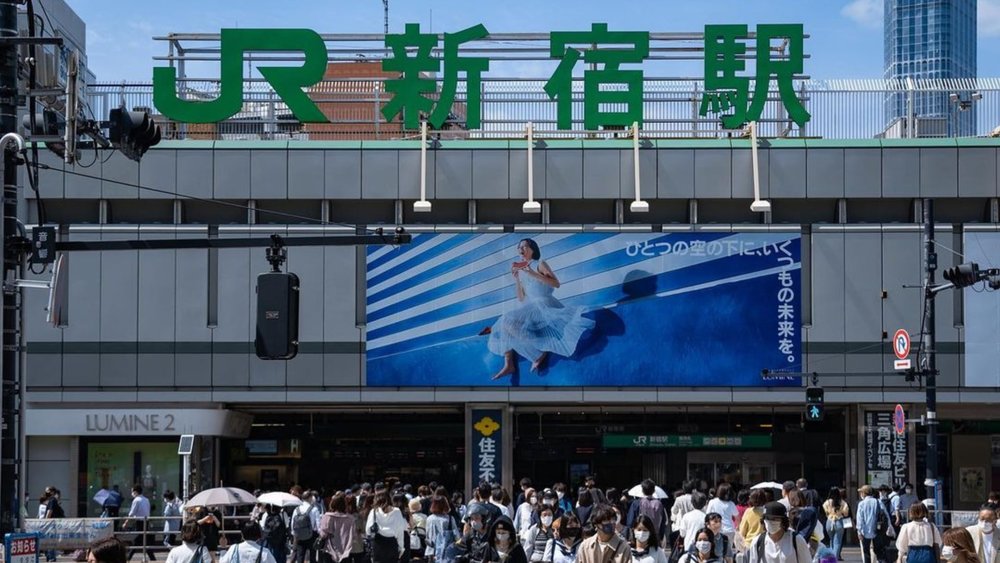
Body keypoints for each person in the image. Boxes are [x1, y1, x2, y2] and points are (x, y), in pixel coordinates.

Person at [489, 238, 595, 379]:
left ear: (532, 249)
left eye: (524, 246)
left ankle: (538, 353)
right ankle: (508, 364)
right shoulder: (521, 271)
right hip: (532, 307)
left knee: (506, 319)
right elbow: (521, 298)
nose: (521, 249)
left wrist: (532, 273)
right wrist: (517, 279)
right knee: (503, 323)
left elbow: (556, 284)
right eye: (519, 247)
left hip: (545, 304)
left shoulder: (540, 264)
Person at [745, 503, 810, 563]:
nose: (770, 522)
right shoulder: (757, 542)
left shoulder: (796, 540)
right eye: (768, 518)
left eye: (775, 519)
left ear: (783, 521)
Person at [367, 491, 408, 563]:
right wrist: (401, 547)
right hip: (392, 544)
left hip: (378, 544)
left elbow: (368, 530)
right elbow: (400, 531)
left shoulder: (373, 511)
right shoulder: (397, 511)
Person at [626, 480, 669, 547]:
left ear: (642, 491)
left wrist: (630, 537)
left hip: (640, 537)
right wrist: (661, 537)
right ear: (654, 491)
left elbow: (630, 522)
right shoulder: (659, 504)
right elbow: (663, 523)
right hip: (655, 537)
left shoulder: (636, 503)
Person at [318, 492, 358, 563]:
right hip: (346, 551)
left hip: (330, 549)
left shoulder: (327, 517)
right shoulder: (350, 519)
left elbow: (323, 534)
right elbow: (354, 536)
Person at [856, 486, 890, 563]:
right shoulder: (878, 502)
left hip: (865, 531)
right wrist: (888, 526)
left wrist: (859, 532)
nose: (860, 494)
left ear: (864, 493)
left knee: (866, 552)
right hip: (877, 530)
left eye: (861, 492)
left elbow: (860, 519)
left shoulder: (861, 504)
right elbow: (886, 515)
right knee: (879, 550)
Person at [426, 496, 460, 563]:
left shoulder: (429, 519)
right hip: (447, 551)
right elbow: (457, 536)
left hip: (431, 551)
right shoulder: (450, 519)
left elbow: (428, 536)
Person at [127, 485, 156, 562]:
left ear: (135, 492)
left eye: (132, 491)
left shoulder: (136, 500)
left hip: (139, 522)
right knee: (144, 541)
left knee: (138, 541)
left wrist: (126, 522)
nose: (132, 493)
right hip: (146, 522)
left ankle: (128, 558)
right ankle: (153, 559)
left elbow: (132, 513)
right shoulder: (146, 500)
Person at [292, 491, 322, 563]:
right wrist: (320, 534)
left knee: (300, 556)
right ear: (310, 498)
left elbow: (293, 523)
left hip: (299, 535)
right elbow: (318, 524)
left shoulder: (296, 509)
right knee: (312, 557)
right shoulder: (314, 509)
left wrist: (294, 534)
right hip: (312, 535)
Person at [822, 488, 850, 561]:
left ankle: (831, 558)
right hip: (839, 521)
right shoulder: (842, 502)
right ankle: (834, 559)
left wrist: (829, 513)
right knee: (837, 542)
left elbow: (824, 511)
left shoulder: (827, 502)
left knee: (831, 540)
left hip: (829, 521)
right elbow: (846, 513)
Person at [44, 487, 65, 563]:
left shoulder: (52, 500)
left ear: (52, 492)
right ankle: (51, 557)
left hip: (51, 525)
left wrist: (45, 522)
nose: (46, 493)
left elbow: (49, 512)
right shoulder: (53, 500)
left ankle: (51, 558)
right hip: (53, 525)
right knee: (50, 541)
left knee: (50, 541)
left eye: (48, 491)